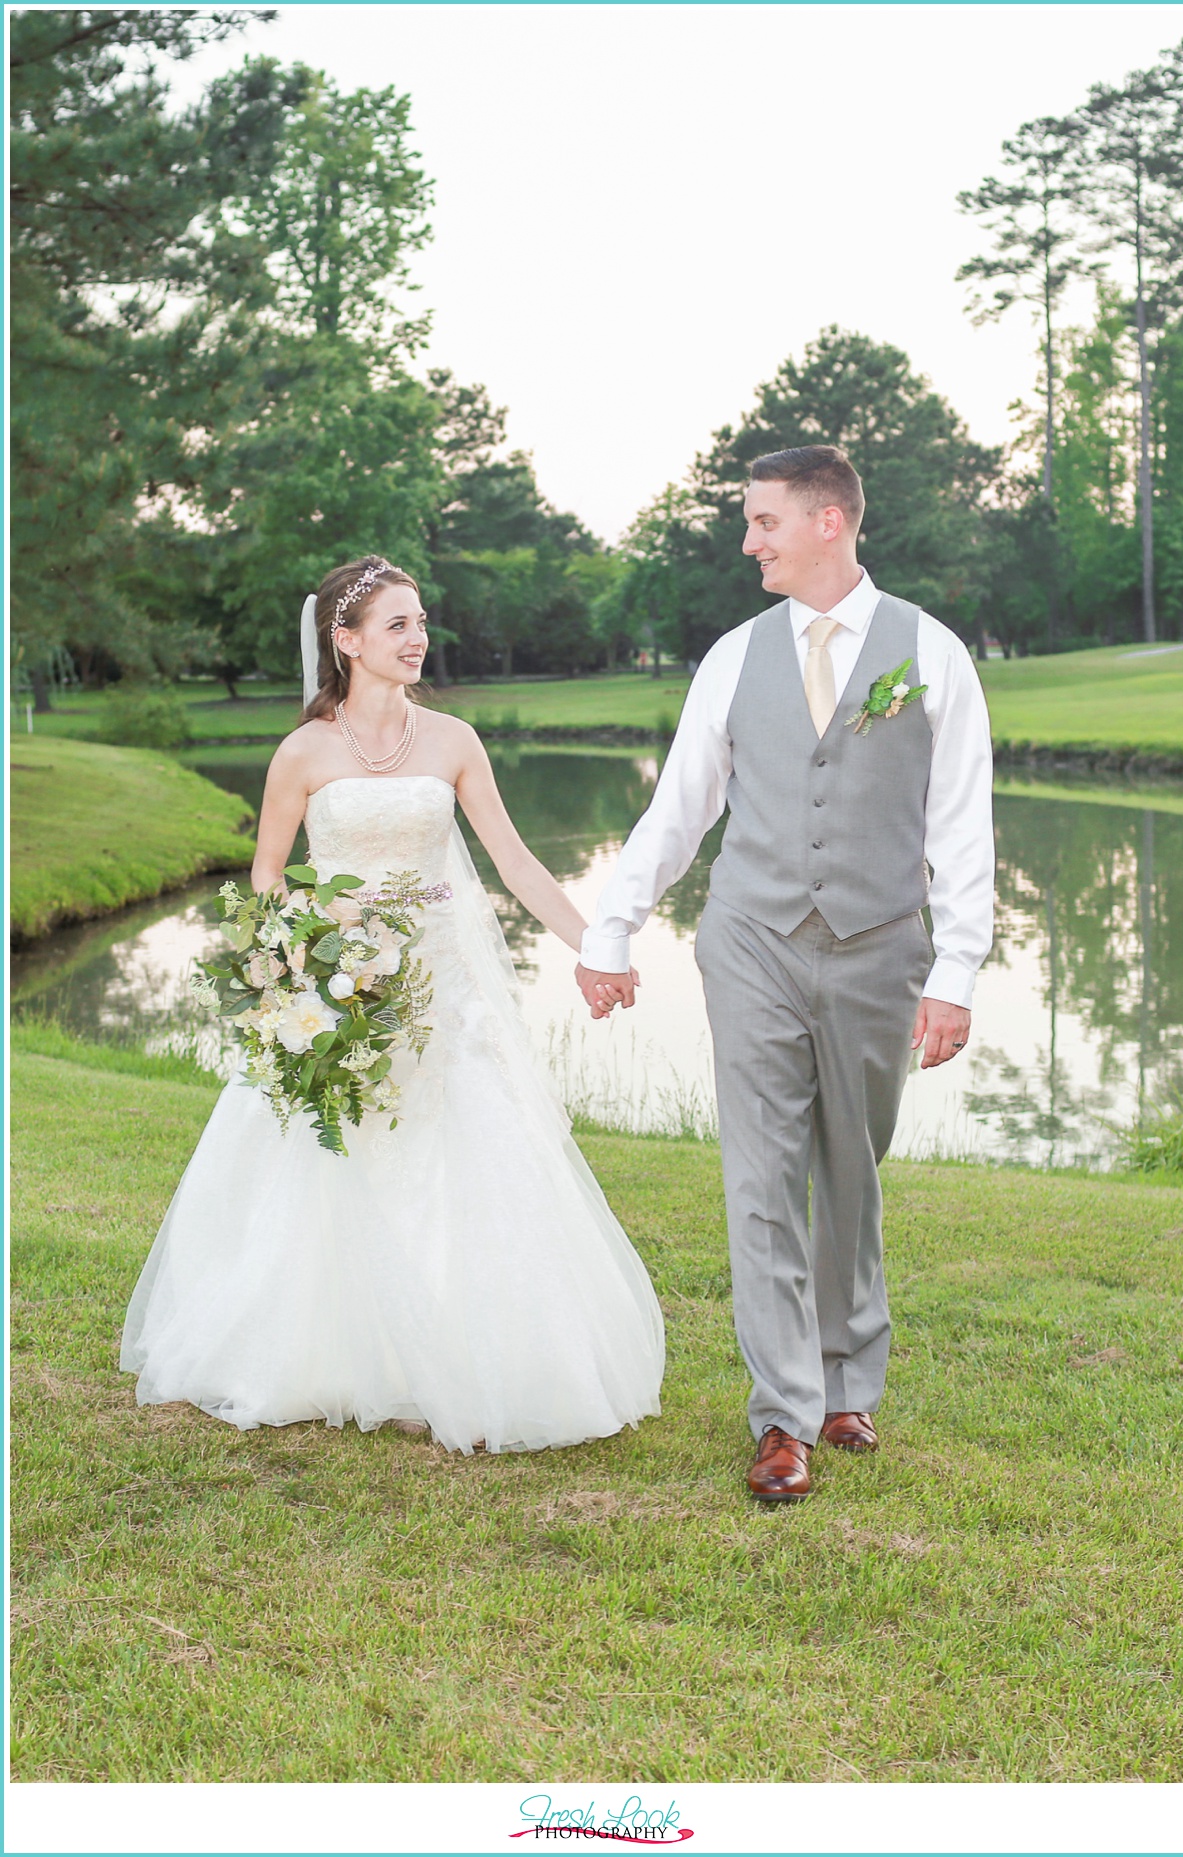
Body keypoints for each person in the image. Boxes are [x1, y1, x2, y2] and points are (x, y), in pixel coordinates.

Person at [120, 556, 665, 1454]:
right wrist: (296, 970)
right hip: (336, 985)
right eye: (398, 625)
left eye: (421, 623)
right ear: (346, 641)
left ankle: (458, 1354)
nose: (418, 640)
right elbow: (266, 879)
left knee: (465, 1152)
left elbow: (518, 864)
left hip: (442, 992)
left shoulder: (453, 740)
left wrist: (598, 945)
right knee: (334, 1157)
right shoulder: (303, 751)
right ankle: (336, 1350)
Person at [575, 447, 993, 1501]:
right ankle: (783, 1417)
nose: (749, 540)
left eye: (764, 521)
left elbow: (961, 824)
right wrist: (611, 931)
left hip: (881, 948)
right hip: (752, 941)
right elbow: (679, 809)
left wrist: (957, 970)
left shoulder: (930, 654)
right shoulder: (733, 656)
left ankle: (850, 1382)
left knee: (853, 1168)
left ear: (829, 522)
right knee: (762, 1178)